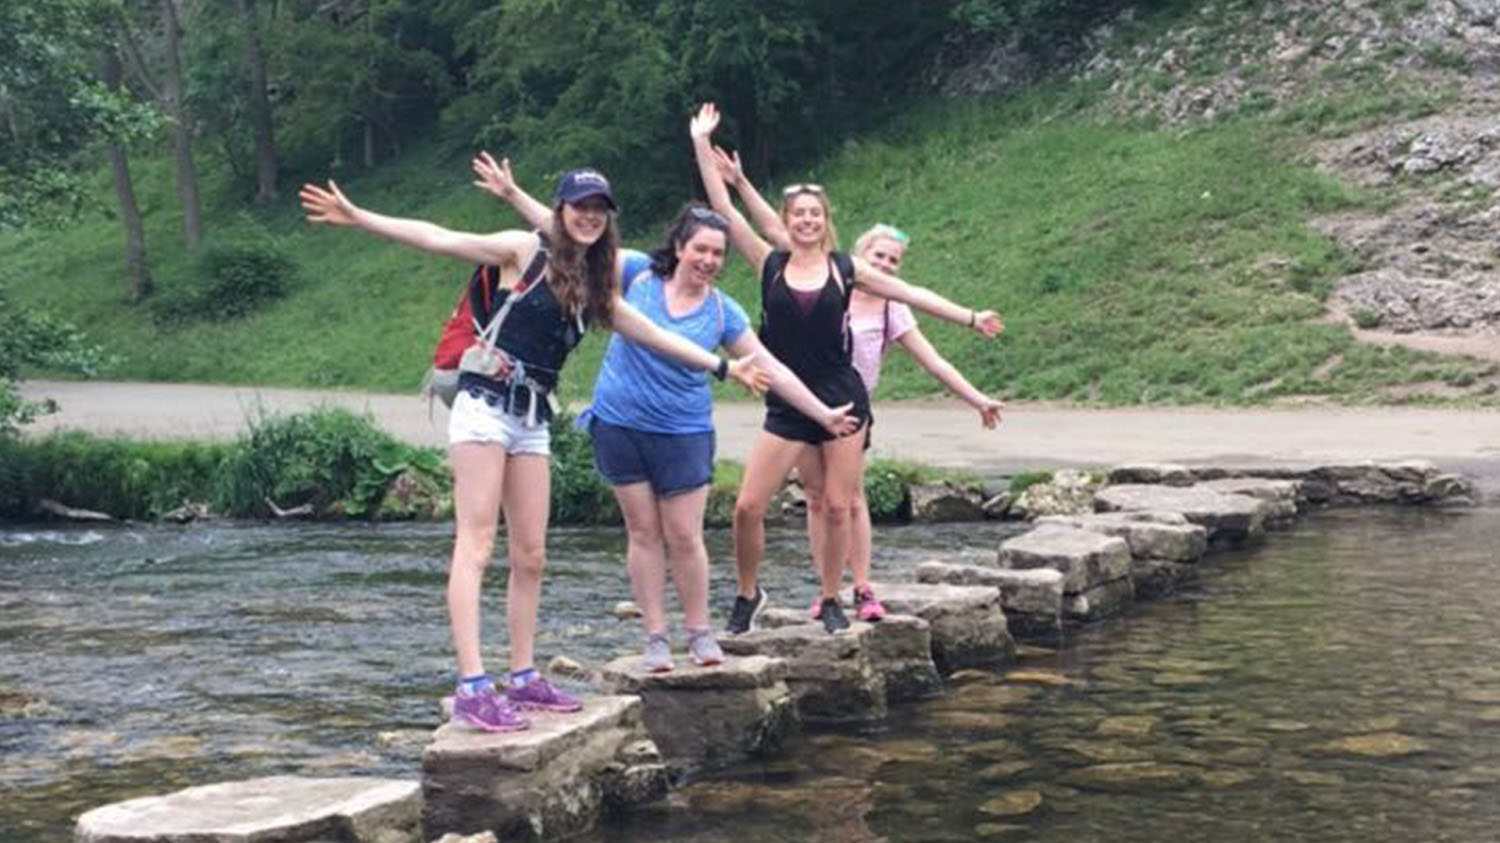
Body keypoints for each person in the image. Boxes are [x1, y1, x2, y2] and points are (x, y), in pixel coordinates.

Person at [299, 169, 768, 731]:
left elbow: (651, 332)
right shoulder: (523, 251)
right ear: (561, 209)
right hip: (484, 407)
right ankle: (474, 684)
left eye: (599, 208)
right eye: (580, 206)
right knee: (475, 543)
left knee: (532, 554)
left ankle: (522, 675)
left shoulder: (596, 285)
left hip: (532, 418)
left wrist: (722, 365)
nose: (589, 216)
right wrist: (360, 218)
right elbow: (438, 237)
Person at [471, 153, 856, 671]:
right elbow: (572, 235)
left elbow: (774, 367)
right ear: (679, 248)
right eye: (700, 249)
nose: (709, 260)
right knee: (643, 534)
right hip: (620, 424)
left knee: (684, 536)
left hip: (683, 433)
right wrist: (513, 195)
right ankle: (656, 637)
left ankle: (698, 633)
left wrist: (823, 414)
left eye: (718, 253)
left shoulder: (724, 311)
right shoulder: (634, 273)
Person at [688, 103, 1004, 636]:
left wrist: (970, 317)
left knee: (837, 506)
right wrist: (701, 142)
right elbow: (722, 207)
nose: (806, 221)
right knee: (746, 506)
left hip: (842, 395)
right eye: (798, 215)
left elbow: (912, 292)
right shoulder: (768, 262)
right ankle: (747, 595)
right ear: (786, 223)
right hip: (788, 398)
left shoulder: (846, 269)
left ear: (825, 221)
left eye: (815, 214)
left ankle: (832, 598)